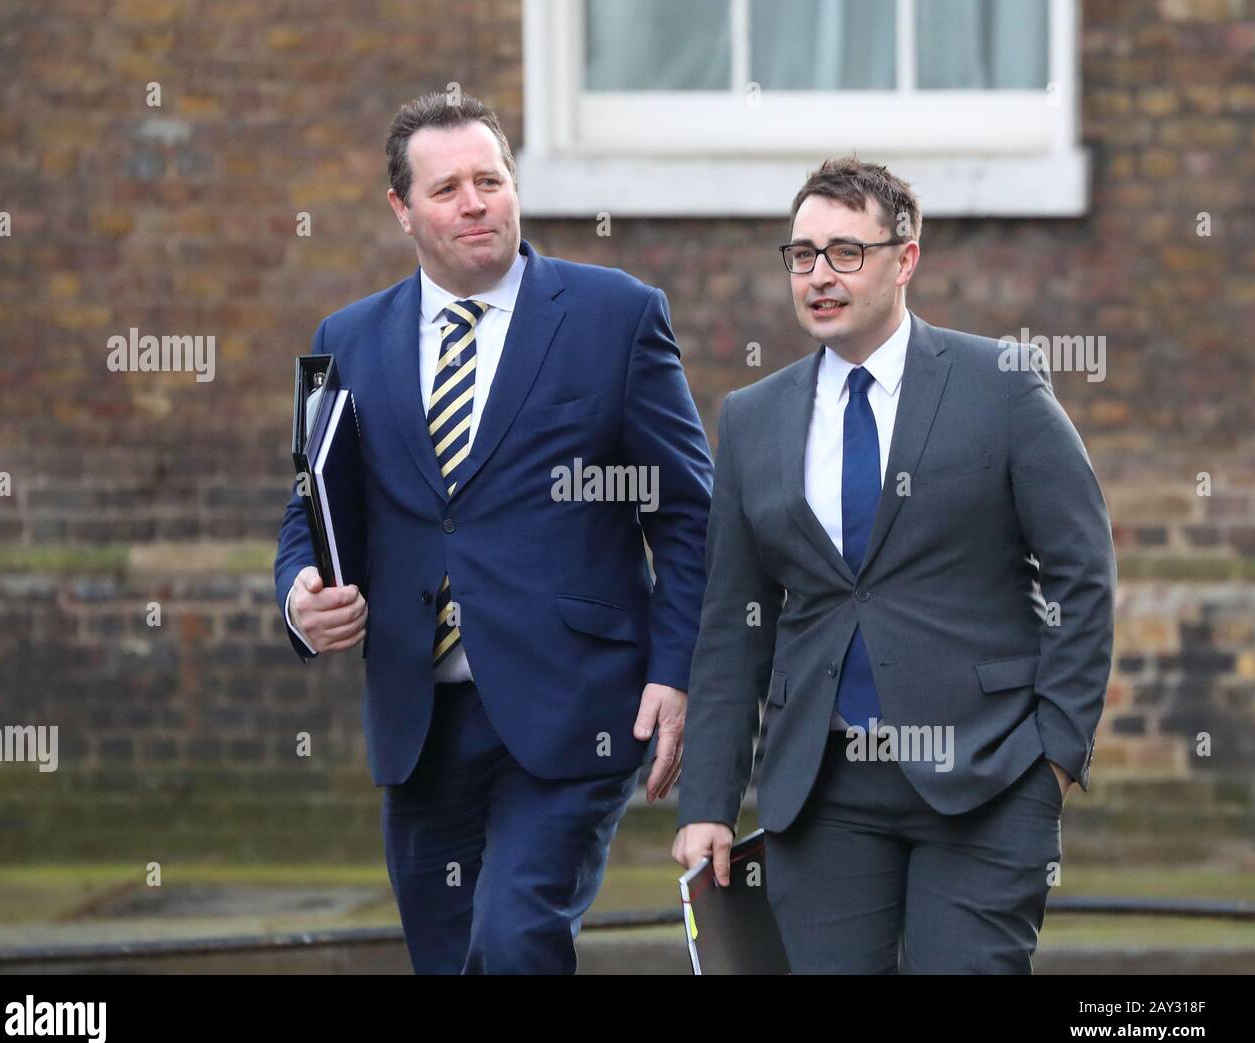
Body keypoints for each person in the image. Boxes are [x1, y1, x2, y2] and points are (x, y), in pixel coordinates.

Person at [274, 92, 713, 974]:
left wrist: (676, 669)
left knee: (514, 940)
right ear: (402, 210)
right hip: (419, 719)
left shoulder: (614, 317)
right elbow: (310, 507)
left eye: (491, 179)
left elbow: (688, 511)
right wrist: (299, 596)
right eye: (447, 189)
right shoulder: (343, 340)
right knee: (449, 960)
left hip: (573, 707)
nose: (475, 202)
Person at [672, 156, 1116, 974]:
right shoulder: (752, 418)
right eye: (802, 255)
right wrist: (707, 802)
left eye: (846, 251)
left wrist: (1055, 755)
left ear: (905, 258)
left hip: (986, 777)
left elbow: (1083, 574)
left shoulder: (1001, 386)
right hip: (822, 795)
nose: (819, 276)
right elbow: (733, 627)